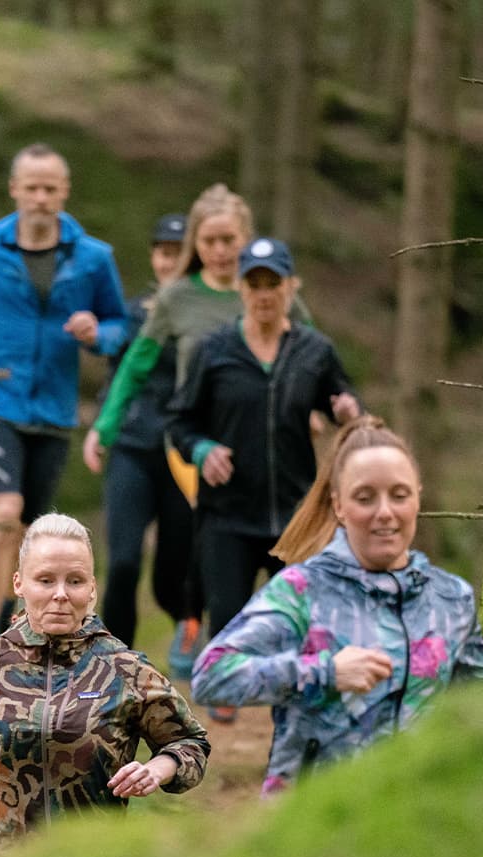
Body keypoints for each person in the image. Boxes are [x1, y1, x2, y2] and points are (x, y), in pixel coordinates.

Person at [190, 417, 483, 794]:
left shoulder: (451, 599)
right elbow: (211, 676)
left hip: (420, 818)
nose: (384, 512)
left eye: (399, 495)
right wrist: (324, 673)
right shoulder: (302, 590)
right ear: (338, 505)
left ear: (418, 497)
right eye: (365, 498)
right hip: (310, 821)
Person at [83, 184, 316, 678]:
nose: (220, 250)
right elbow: (135, 364)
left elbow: (312, 353)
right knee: (169, 549)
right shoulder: (177, 297)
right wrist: (104, 426)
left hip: (260, 445)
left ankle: (243, 647)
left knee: (256, 551)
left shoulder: (269, 288)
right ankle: (158, 650)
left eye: (229, 239)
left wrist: (317, 406)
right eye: (209, 240)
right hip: (192, 441)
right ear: (196, 242)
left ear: (245, 238)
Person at [0, 513, 210, 853]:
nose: (60, 594)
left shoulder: (125, 670)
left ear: (92, 587)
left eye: (75, 581)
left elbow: (191, 743)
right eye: (46, 580)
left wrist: (157, 770)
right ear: (19, 584)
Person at [0, 144, 131, 644]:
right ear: (15, 190)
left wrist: (96, 334)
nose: (41, 198)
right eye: (32, 188)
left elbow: (118, 325)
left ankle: (5, 626)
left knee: (27, 530)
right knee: (1, 510)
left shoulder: (92, 257)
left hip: (55, 407)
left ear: (64, 193)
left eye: (51, 189)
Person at [167, 236, 361, 719]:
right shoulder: (215, 351)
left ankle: (295, 711)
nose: (264, 293)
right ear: (241, 289)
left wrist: (347, 410)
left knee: (301, 625)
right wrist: (204, 449)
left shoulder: (314, 350)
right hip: (227, 514)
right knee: (229, 622)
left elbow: (345, 404)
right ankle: (223, 708)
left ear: (291, 287)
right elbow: (180, 422)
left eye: (273, 282)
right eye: (254, 283)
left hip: (295, 517)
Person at [80, 211, 194, 659]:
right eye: (164, 253)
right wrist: (101, 430)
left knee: (171, 574)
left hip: (183, 455)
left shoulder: (208, 317)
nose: (170, 263)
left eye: (180, 255)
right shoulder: (136, 312)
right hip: (132, 447)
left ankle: (189, 632)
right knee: (123, 561)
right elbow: (115, 357)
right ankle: (112, 660)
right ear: (153, 257)